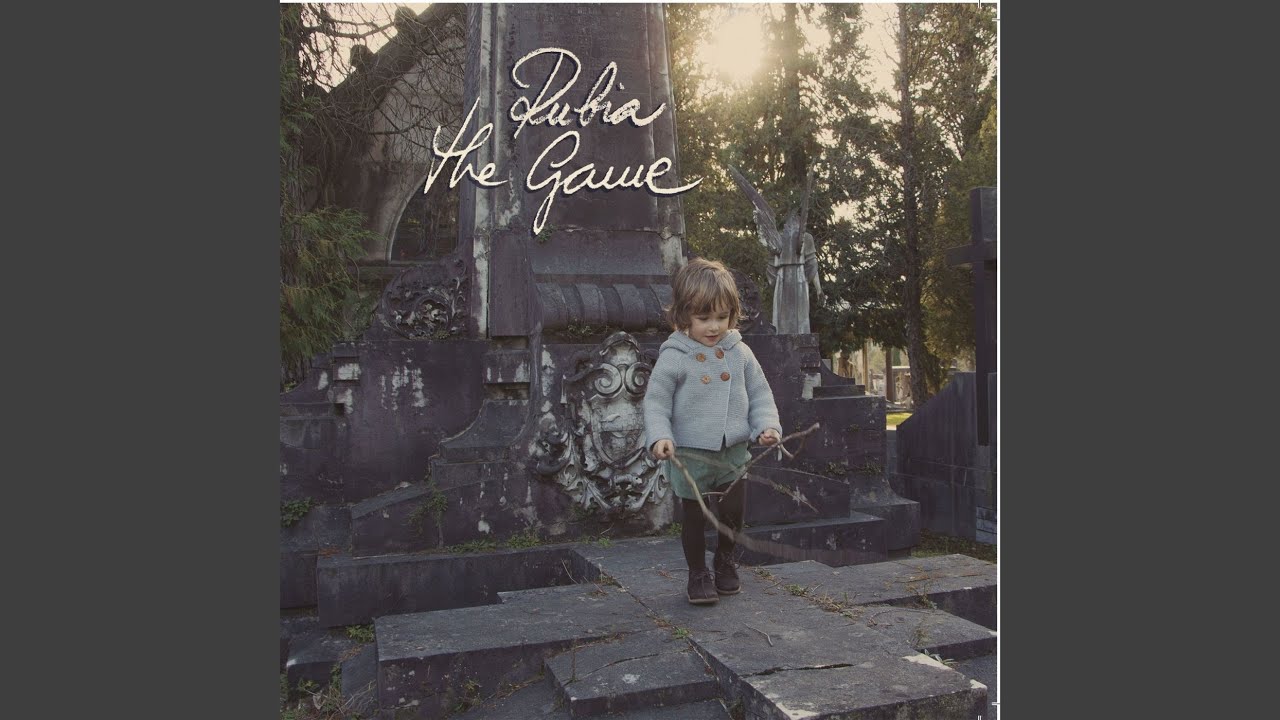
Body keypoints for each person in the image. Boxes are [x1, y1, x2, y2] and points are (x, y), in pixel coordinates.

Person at [643, 258, 782, 605]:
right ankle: (697, 572)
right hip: (691, 454)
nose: (714, 326)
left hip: (732, 451)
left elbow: (760, 393)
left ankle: (725, 559)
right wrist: (660, 435)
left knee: (733, 512)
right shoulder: (676, 355)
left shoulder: (739, 352)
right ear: (684, 315)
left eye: (722, 316)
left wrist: (766, 425)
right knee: (695, 517)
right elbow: (656, 401)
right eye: (704, 318)